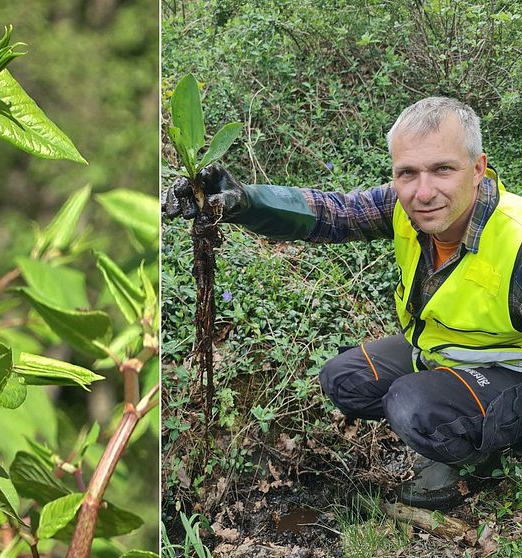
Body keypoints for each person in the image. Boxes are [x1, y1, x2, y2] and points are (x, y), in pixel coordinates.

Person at [163, 96, 522, 511]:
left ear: (477, 168)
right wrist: (244, 200)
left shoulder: (514, 240)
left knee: (411, 405)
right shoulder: (403, 207)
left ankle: (480, 457)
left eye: (442, 169)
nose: (423, 192)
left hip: (508, 371)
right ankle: (458, 416)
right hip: (437, 350)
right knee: (344, 378)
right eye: (407, 173)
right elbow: (336, 213)